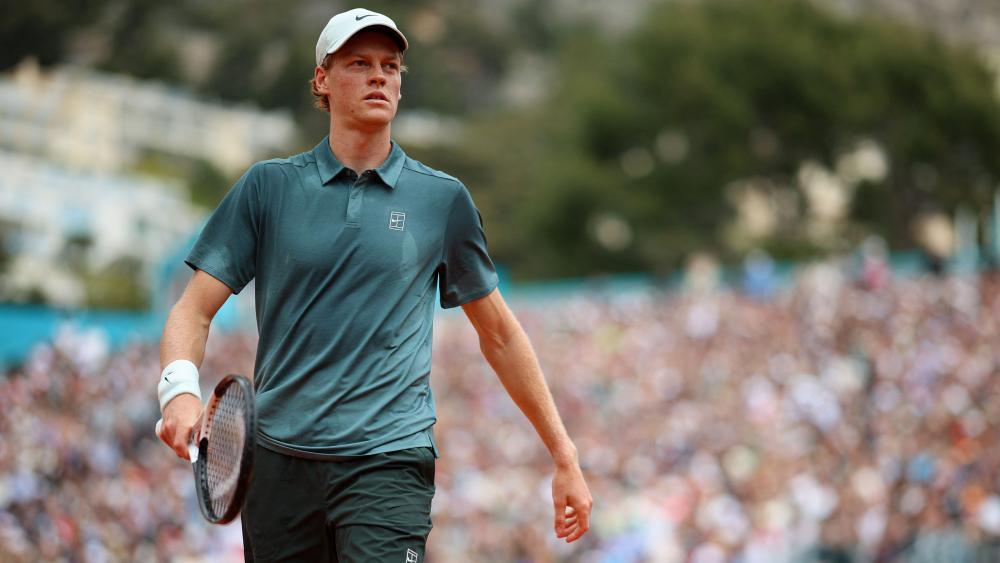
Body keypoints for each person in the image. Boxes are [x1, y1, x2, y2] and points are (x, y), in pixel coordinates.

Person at [154, 7, 592, 561]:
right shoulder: (268, 188)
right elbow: (193, 311)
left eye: (391, 66)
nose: (379, 76)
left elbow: (500, 334)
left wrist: (564, 454)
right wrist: (179, 395)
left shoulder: (443, 200)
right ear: (322, 79)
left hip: (389, 461)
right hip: (277, 464)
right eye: (359, 63)